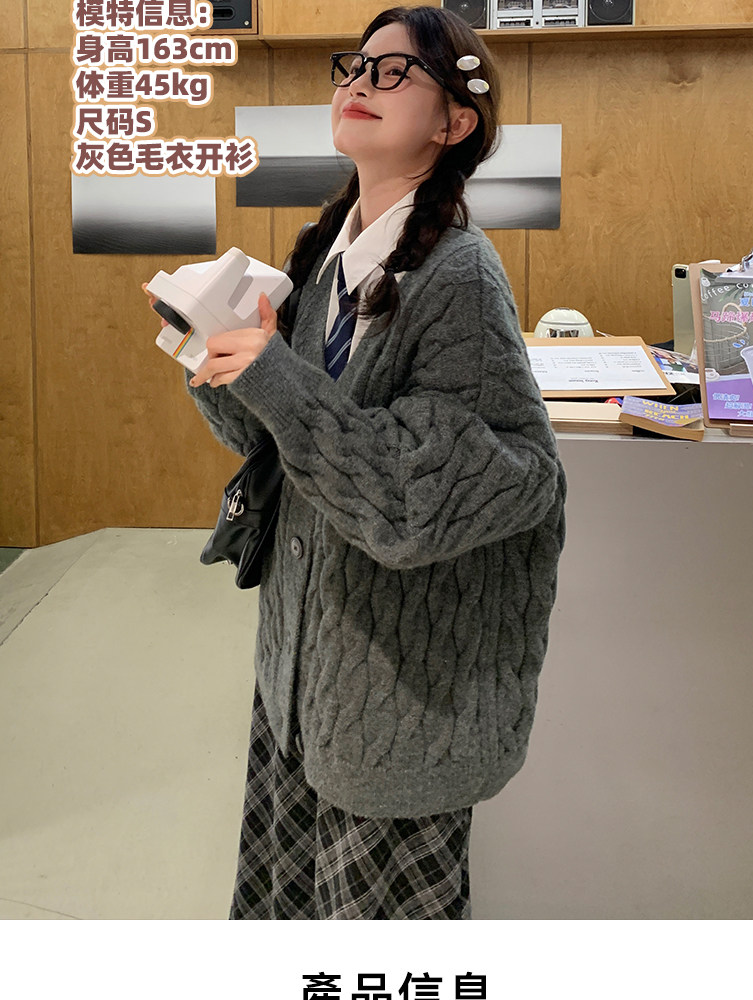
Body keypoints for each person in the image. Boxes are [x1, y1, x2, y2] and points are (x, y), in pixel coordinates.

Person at [146, 4, 566, 920]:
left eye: (393, 71)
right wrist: (217, 354)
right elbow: (284, 453)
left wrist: (278, 379)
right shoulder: (327, 256)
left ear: (455, 122)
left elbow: (423, 501)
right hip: (303, 682)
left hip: (397, 709)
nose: (359, 83)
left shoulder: (458, 276)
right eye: (354, 66)